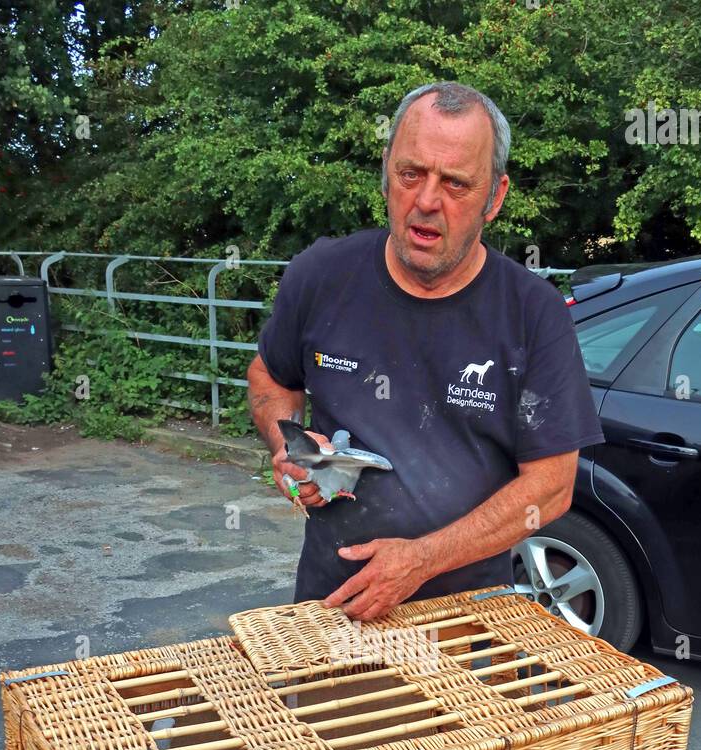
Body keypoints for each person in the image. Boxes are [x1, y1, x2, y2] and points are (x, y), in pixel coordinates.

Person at [247, 81, 604, 621]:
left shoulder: (533, 313)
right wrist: (292, 446)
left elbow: (551, 488)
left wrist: (422, 560)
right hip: (329, 609)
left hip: (467, 620)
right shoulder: (321, 276)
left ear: (495, 196)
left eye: (457, 183)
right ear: (386, 169)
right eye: (411, 173)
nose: (427, 201)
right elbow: (270, 378)